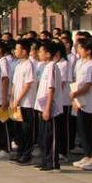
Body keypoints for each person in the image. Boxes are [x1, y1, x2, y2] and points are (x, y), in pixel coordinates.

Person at [70, 38, 92, 170]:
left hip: (90, 103)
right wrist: (75, 97)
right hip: (80, 102)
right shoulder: (80, 63)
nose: (78, 50)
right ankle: (87, 155)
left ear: (88, 51)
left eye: (81, 48)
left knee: (91, 130)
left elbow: (88, 85)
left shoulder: (91, 65)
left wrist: (75, 94)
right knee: (82, 130)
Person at [35, 40, 62, 171]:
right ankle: (45, 160)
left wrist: (48, 108)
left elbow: (51, 88)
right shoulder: (46, 67)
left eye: (41, 51)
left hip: (51, 108)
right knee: (44, 136)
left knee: (51, 136)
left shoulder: (52, 67)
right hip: (42, 106)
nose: (38, 54)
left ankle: (53, 162)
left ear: (48, 54)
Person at [10, 39, 36, 164]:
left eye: (17, 49)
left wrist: (18, 100)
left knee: (27, 130)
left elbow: (28, 85)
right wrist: (12, 99)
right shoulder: (19, 65)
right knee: (18, 130)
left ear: (24, 51)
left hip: (26, 103)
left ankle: (27, 154)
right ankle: (20, 151)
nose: (15, 51)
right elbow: (15, 84)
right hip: (17, 103)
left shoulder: (29, 65)